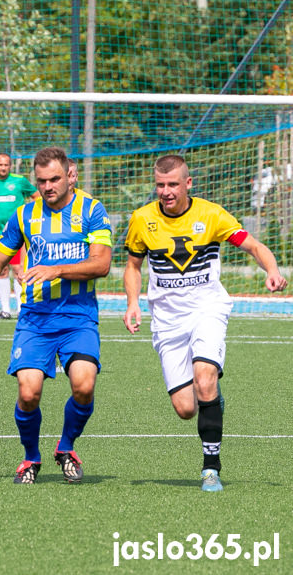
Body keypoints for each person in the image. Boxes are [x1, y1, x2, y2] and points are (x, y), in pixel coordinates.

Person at [123, 154, 287, 493]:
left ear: (188, 184)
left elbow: (253, 245)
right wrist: (132, 303)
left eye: (172, 185)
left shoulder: (211, 215)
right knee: (185, 409)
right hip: (167, 320)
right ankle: (211, 395)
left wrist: (271, 270)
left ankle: (210, 468)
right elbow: (133, 266)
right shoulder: (142, 219)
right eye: (160, 185)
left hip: (207, 309)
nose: (166, 192)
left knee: (205, 378)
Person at [0, 146, 113, 485]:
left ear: (69, 175)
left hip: (78, 317)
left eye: (54, 179)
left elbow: (102, 264)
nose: (48, 186)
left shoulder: (92, 210)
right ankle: (30, 457)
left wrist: (57, 270)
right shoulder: (24, 214)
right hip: (35, 318)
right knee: (28, 393)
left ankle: (66, 448)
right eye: (41, 181)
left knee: (83, 385)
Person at [0, 152, 37, 319]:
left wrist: (32, 216)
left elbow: (37, 196)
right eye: (0, 165)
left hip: (17, 233)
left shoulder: (19, 181)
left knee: (19, 269)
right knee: (1, 270)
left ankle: (21, 309)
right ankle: (5, 310)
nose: (3, 168)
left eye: (6, 165)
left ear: (10, 166)